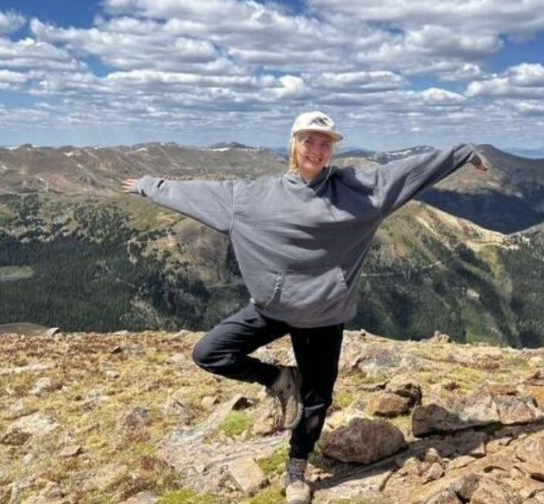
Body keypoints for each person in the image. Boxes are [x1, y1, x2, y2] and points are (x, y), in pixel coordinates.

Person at [122, 111, 488, 504]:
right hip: (272, 308)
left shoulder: (362, 193)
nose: (316, 149)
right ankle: (279, 379)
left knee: (317, 398)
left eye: (325, 142)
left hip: (323, 316)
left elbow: (411, 171)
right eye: (308, 141)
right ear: (294, 145)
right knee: (209, 352)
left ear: (332, 149)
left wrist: (462, 153)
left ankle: (297, 469)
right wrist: (149, 185)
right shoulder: (251, 197)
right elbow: (199, 195)